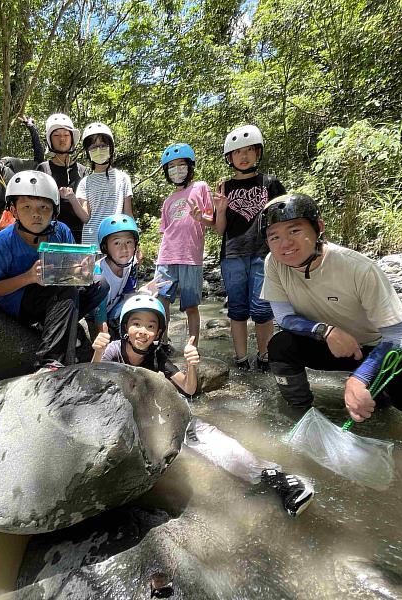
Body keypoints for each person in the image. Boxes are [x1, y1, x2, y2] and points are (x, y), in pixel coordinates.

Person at [91, 295, 315, 517]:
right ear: (125, 327)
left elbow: (188, 389)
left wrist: (191, 365)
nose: (143, 331)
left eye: (151, 326)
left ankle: (277, 480)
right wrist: (98, 352)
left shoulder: (157, 355)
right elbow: (92, 382)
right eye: (136, 324)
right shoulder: (112, 350)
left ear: (158, 333)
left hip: (162, 417)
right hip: (127, 423)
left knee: (214, 442)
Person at [259, 193, 402, 422]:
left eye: (295, 231)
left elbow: (399, 335)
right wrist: (325, 331)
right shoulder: (274, 263)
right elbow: (284, 317)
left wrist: (360, 378)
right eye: (274, 237)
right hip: (332, 346)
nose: (285, 244)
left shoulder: (357, 267)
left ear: (318, 228)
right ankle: (300, 415)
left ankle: (379, 389)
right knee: (280, 345)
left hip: (377, 347)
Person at [0, 170, 107, 370]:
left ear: (54, 211)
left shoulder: (61, 230)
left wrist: (80, 270)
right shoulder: (0, 244)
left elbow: (71, 268)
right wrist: (28, 277)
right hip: (18, 303)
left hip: (52, 296)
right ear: (14, 210)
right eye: (27, 207)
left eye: (44, 207)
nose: (36, 214)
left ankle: (57, 328)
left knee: (99, 283)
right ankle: (50, 360)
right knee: (67, 289)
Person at [213, 124, 284, 373]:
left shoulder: (270, 183)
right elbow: (219, 229)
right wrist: (220, 208)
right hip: (232, 254)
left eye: (249, 150)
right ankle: (241, 359)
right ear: (229, 157)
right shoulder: (225, 188)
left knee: (263, 309)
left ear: (257, 153)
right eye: (237, 152)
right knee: (238, 309)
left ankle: (265, 357)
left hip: (263, 253)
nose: (243, 156)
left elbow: (282, 219)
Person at [155, 143, 214, 345]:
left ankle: (193, 347)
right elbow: (165, 231)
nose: (177, 170)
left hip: (190, 256)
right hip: (166, 256)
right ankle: (162, 343)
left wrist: (200, 218)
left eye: (181, 164)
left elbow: (211, 220)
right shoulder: (168, 200)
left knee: (191, 306)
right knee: (161, 301)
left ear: (190, 166)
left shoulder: (201, 187)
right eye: (171, 166)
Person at [77, 122, 134, 245]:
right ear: (87, 151)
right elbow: (85, 217)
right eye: (93, 147)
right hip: (91, 243)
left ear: (111, 147)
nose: (98, 150)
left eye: (103, 145)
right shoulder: (85, 183)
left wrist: (136, 242)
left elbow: (128, 214)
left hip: (117, 242)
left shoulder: (123, 178)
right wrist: (71, 198)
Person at [36, 114, 89, 242]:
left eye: (66, 135)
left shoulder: (82, 171)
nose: (62, 139)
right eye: (56, 135)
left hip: (79, 234)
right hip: (50, 233)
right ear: (50, 140)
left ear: (71, 139)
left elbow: (86, 211)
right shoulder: (44, 168)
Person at [94, 214, 140, 337]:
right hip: (95, 314)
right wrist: (104, 336)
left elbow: (129, 295)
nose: (124, 248)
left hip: (113, 310)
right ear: (105, 247)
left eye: (129, 242)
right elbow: (99, 312)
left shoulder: (131, 265)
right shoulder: (99, 272)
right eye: (117, 243)